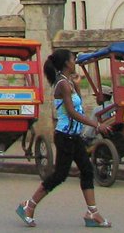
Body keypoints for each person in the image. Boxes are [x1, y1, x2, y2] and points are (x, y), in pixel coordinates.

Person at [17, 48, 113, 229]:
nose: (75, 59)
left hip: (73, 136)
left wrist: (76, 86)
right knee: (59, 175)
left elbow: (78, 107)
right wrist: (96, 125)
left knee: (87, 169)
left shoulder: (67, 82)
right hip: (65, 136)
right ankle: (29, 205)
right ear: (66, 63)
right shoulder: (62, 84)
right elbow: (71, 112)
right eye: (72, 57)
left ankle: (92, 212)